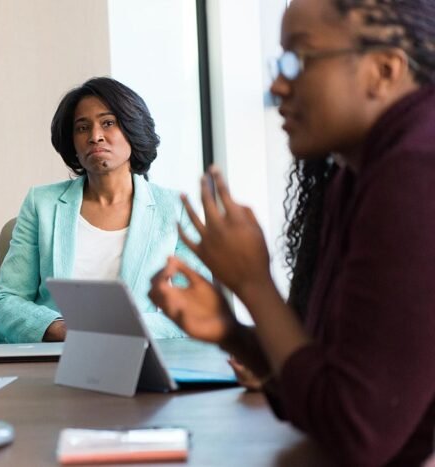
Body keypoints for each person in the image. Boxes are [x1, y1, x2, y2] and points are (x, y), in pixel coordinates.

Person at [148, 0, 435, 465]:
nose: (277, 85)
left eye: (299, 60)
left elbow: (356, 435)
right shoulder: (356, 174)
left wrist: (253, 284)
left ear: (384, 69)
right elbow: (328, 390)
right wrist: (233, 334)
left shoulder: (417, 172)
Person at [0, 77, 207, 344]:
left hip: (136, 354)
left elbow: (195, 310)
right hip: (53, 355)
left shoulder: (175, 209)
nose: (95, 136)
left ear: (132, 128)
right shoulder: (41, 203)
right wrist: (58, 329)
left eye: (108, 123)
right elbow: (5, 301)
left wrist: (118, 329)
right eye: (82, 127)